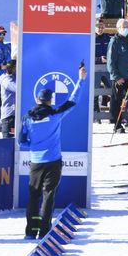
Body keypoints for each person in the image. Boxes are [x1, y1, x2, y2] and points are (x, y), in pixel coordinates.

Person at [19, 63, 86, 239]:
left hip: (35, 161)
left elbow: (21, 142)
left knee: (33, 195)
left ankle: (30, 230)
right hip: (53, 161)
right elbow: (73, 100)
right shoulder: (55, 114)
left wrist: (34, 145)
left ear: (37, 99)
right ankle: (44, 230)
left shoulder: (27, 118)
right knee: (48, 195)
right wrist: (80, 80)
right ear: (50, 100)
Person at [107, 19, 128, 133]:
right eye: (124, 27)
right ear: (119, 28)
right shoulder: (114, 42)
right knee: (117, 101)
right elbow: (110, 62)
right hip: (119, 78)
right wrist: (116, 76)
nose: (126, 29)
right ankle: (117, 125)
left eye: (127, 26)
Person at [0, 60, 16, 138]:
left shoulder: (13, 77)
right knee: (9, 140)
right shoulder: (7, 80)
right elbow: (18, 89)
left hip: (15, 114)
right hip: (9, 116)